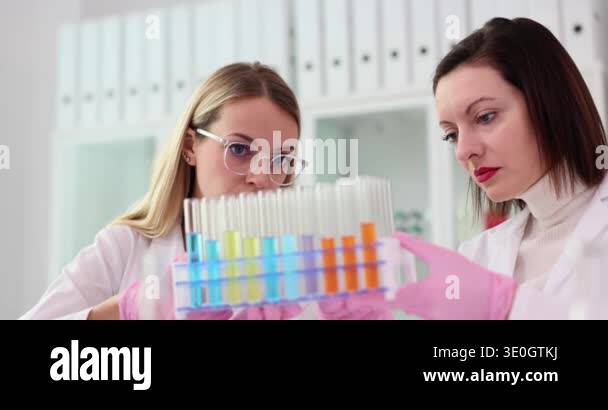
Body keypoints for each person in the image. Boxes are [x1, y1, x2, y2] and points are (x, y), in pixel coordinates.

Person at [319, 18, 608, 320]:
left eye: (485, 117)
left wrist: (509, 306)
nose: (463, 150)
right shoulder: (478, 255)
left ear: (549, 103)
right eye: (452, 134)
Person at [22, 62, 307, 320]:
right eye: (240, 149)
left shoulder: (302, 269)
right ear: (190, 146)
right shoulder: (124, 248)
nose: (261, 176)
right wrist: (130, 311)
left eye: (280, 159)